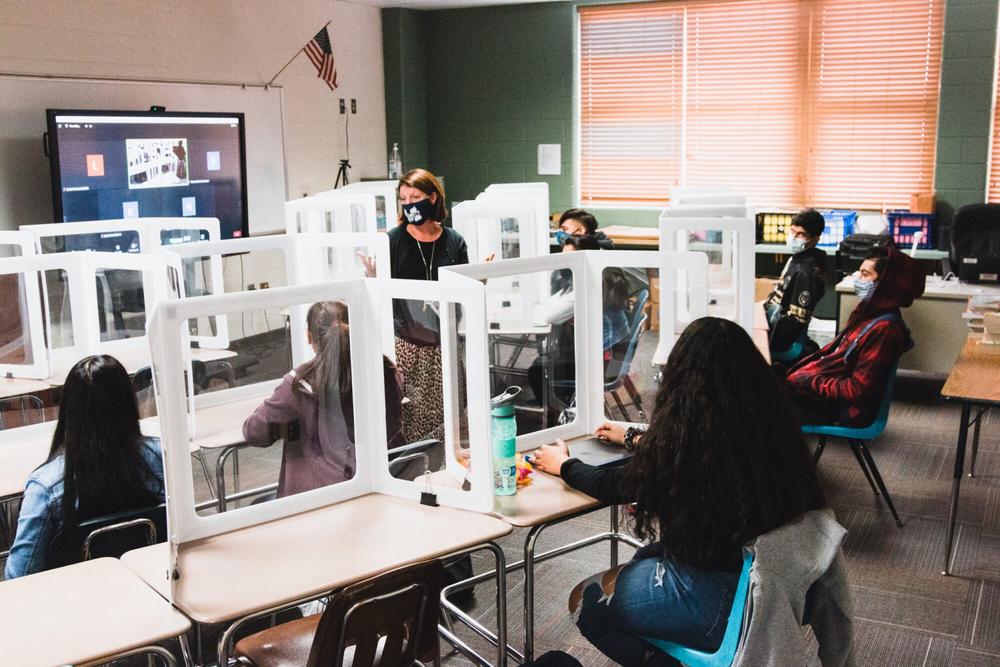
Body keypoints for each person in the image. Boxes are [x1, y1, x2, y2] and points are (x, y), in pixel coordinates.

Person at [531, 317, 851, 666]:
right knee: (645, 558)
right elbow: (695, 448)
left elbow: (612, 485)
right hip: (765, 584)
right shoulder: (770, 422)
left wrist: (563, 465)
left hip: (722, 605)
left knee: (586, 603)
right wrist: (632, 437)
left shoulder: (693, 450)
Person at [4, 355, 164, 579]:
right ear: (127, 402)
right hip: (151, 587)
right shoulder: (162, 457)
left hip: (75, 604)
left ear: (68, 409)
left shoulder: (45, 486)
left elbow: (20, 576)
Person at [243, 300, 404, 498]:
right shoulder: (385, 371)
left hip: (321, 500)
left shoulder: (300, 385)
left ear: (309, 337)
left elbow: (255, 432)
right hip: (382, 484)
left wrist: (294, 425)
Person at [374, 168, 471, 443]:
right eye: (403, 199)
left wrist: (479, 277)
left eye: (414, 196)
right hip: (407, 343)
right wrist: (372, 276)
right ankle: (414, 470)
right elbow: (382, 292)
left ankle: (443, 465)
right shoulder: (392, 240)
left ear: (432, 197)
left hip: (444, 341)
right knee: (410, 412)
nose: (408, 204)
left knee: (448, 408)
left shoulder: (453, 240)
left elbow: (463, 287)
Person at [786, 246, 925, 426]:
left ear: (885, 283)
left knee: (760, 409)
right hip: (828, 395)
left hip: (844, 409)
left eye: (865, 274)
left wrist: (810, 381)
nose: (858, 280)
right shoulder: (868, 313)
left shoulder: (885, 329)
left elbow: (858, 391)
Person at [528, 234, 631, 406]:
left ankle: (562, 412)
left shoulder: (588, 285)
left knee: (537, 371)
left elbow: (550, 316)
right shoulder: (596, 274)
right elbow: (557, 300)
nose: (563, 261)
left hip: (603, 362)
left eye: (568, 257)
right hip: (610, 351)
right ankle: (564, 403)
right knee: (545, 360)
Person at [764, 208, 828, 360]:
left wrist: (764, 340)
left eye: (801, 234)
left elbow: (793, 323)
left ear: (815, 239)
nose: (793, 237)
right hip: (773, 319)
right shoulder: (798, 259)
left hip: (780, 337)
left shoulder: (807, 273)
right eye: (792, 231)